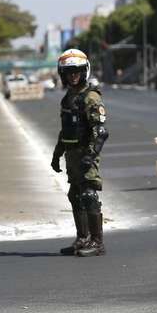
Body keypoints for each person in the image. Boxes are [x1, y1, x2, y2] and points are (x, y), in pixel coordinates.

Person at [51, 48, 108, 257]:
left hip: (86, 154)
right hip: (71, 154)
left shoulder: (91, 97)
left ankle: (97, 242)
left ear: (85, 71)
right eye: (69, 72)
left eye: (77, 71)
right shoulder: (67, 99)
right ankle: (82, 238)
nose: (73, 75)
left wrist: (90, 156)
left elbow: (100, 132)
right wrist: (57, 154)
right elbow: (65, 129)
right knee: (75, 195)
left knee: (88, 194)